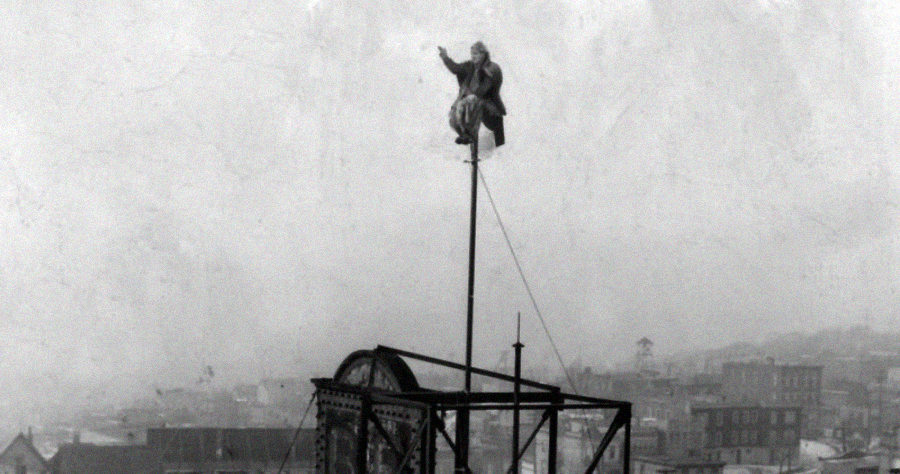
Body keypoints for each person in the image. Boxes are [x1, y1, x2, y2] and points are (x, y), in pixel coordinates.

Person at [438, 41, 506, 146]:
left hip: (489, 107)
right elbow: (455, 69)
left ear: (483, 54)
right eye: (472, 53)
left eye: (476, 54)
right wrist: (445, 57)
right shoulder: (469, 66)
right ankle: (465, 136)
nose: (473, 56)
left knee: (499, 140)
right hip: (472, 103)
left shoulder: (491, 68)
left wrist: (471, 97)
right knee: (454, 118)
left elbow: (484, 89)